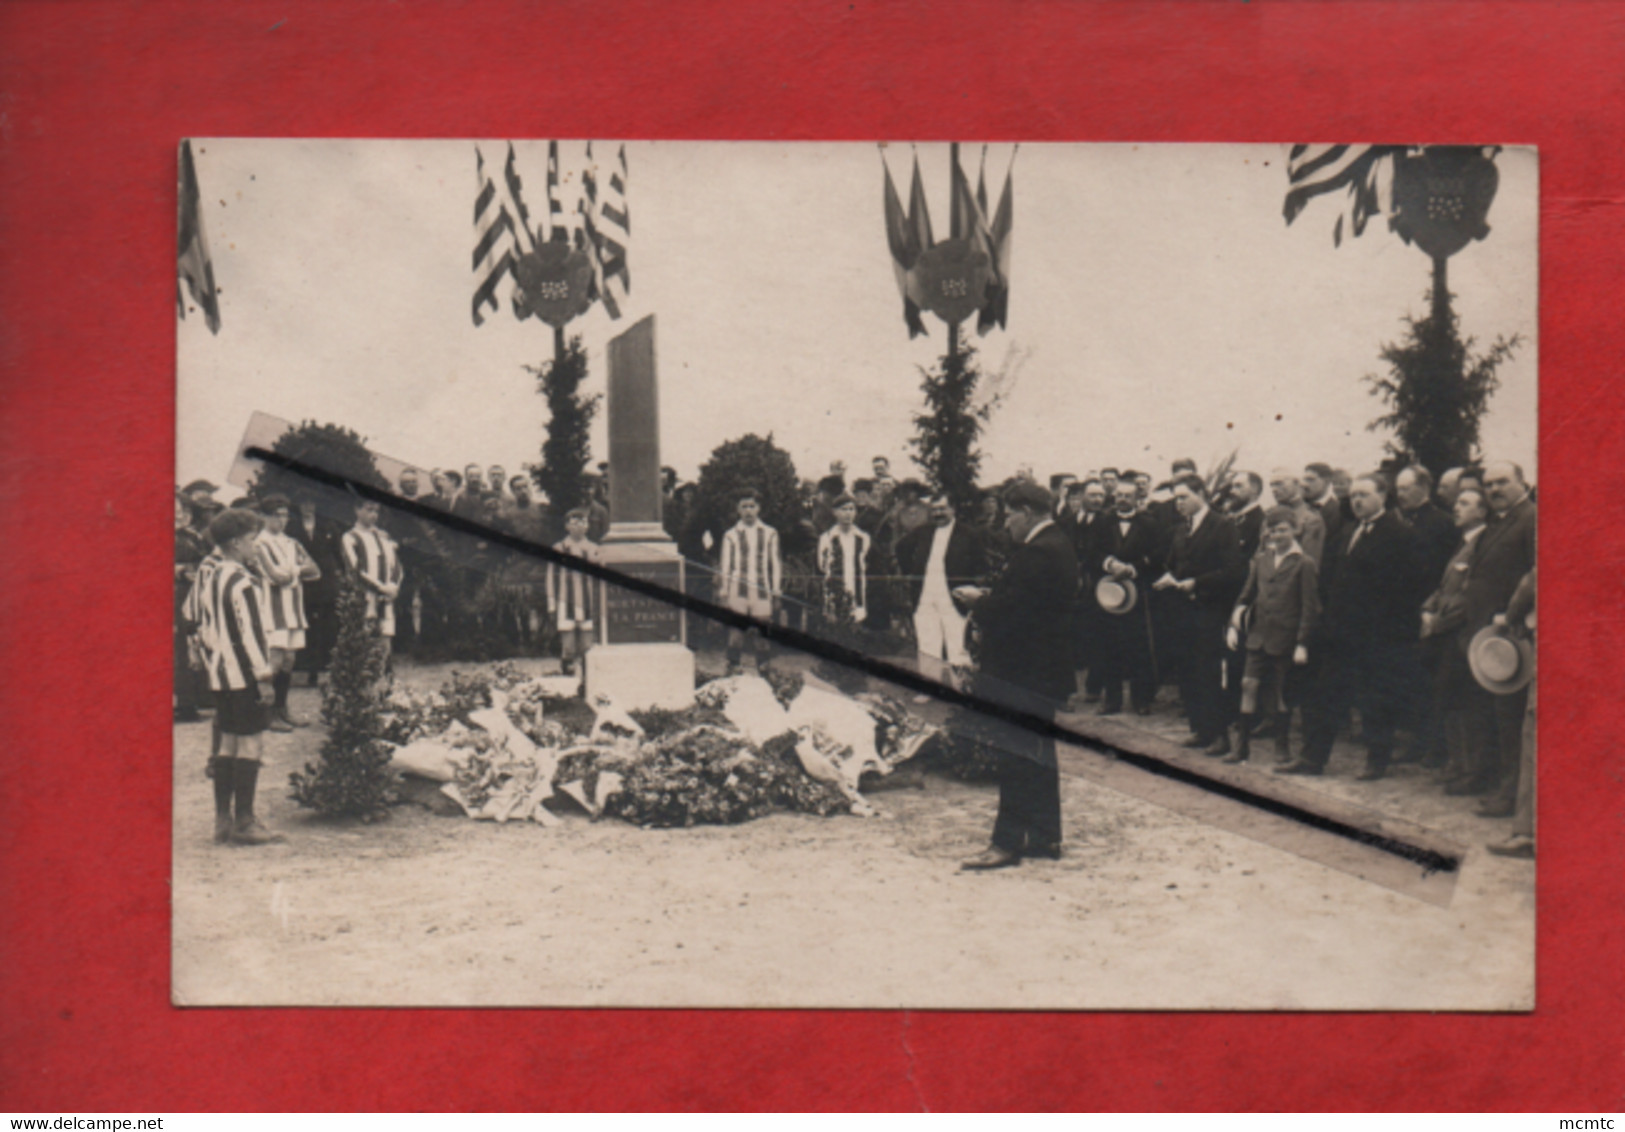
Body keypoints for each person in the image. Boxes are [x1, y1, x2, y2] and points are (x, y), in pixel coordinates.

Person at [955, 481, 1078, 870]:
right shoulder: (1058, 544)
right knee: (1038, 754)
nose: (1007, 524)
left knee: (1016, 754)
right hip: (1042, 673)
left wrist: (981, 602)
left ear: (1026, 512)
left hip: (1024, 673)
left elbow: (1016, 612)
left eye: (1009, 516)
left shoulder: (1038, 552)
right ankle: (1044, 837)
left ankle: (1005, 843)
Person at [1280, 473, 1428, 780]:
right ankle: (1312, 758)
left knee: (1377, 702)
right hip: (1340, 634)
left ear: (1382, 496)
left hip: (1378, 637)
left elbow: (1409, 590)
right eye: (1354, 496)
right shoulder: (1349, 532)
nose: (1357, 501)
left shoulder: (1402, 535)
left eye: (1364, 495)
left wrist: (1384, 631)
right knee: (1327, 696)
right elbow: (1332, 580)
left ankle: (1377, 761)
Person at [189, 508, 284, 845]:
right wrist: (263, 676)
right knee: (251, 742)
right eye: (251, 541)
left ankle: (222, 820)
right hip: (245, 674)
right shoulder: (244, 582)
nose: (255, 548)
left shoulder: (212, 576)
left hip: (221, 674)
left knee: (227, 741)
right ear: (234, 544)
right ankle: (245, 820)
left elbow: (202, 626)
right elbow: (252, 633)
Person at [1464, 462, 1537, 817]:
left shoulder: (1532, 518)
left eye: (1502, 482)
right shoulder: (1499, 520)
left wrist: (1514, 615)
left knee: (1511, 717)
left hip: (1516, 634)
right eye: (1488, 484)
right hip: (1491, 636)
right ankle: (1502, 785)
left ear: (1522, 482)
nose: (1494, 490)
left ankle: (1512, 795)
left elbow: (1536, 572)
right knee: (1498, 713)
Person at [1154, 474, 1245, 755]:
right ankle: (1200, 729)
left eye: (1183, 497)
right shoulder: (1181, 529)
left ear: (1201, 494)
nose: (1178, 503)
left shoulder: (1223, 525)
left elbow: (1233, 571)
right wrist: (1168, 578)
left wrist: (1197, 583)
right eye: (1176, 498)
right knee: (1188, 670)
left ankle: (1220, 734)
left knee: (1209, 672)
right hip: (1183, 611)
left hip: (1211, 610)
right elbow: (1173, 563)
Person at [1226, 507, 1319, 764]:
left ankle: (1282, 745)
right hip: (1258, 635)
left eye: (1282, 530)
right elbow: (1246, 595)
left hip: (1286, 639)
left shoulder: (1304, 563)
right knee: (1249, 684)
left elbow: (1310, 608)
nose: (1277, 535)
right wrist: (1234, 624)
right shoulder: (1261, 559)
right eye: (1272, 530)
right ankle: (1241, 746)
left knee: (1281, 692)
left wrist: (1302, 643)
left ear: (1295, 530)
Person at [1420, 488, 1496, 794]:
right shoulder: (1462, 544)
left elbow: (1468, 597)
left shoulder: (1482, 544)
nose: (1456, 508)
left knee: (1466, 705)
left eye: (1465, 503)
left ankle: (1472, 772)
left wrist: (1437, 622)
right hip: (1447, 637)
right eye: (1457, 503)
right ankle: (1458, 765)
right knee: (1449, 700)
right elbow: (1445, 587)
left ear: (1482, 511)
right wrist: (1427, 607)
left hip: (1463, 636)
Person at [895, 493, 988, 693]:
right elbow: (901, 547)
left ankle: (961, 689)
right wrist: (910, 573)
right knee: (928, 645)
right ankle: (929, 689)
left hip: (955, 597)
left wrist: (969, 587)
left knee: (958, 644)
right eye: (934, 509)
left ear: (953, 509)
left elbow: (981, 565)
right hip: (925, 596)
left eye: (942, 508)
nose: (938, 513)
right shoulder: (923, 532)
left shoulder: (968, 534)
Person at [253, 494, 322, 730]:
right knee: (274, 659)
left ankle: (283, 709)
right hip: (272, 609)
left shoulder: (292, 543)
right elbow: (275, 576)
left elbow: (315, 571)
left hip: (293, 608)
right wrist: (296, 570)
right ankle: (266, 713)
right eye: (275, 516)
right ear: (263, 517)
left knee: (290, 660)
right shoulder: (258, 544)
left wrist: (291, 571)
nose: (281, 521)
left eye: (284, 515)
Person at [1095, 485, 1164, 715]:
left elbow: (1159, 554)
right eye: (1119, 495)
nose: (1122, 500)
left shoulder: (1149, 523)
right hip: (1109, 592)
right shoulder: (1102, 521)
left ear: (1137, 498)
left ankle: (1141, 700)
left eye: (1128, 496)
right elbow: (1092, 552)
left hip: (1138, 593)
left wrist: (1134, 568)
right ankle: (1111, 700)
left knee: (1138, 647)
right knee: (1108, 645)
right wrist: (1109, 564)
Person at [717, 488, 781, 673]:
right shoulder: (731, 534)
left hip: (762, 590)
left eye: (752, 506)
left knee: (762, 631)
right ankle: (733, 666)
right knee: (737, 631)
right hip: (738, 589)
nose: (748, 511)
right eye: (744, 506)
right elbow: (726, 566)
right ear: (738, 509)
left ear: (759, 508)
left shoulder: (770, 533)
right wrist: (724, 591)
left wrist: (776, 591)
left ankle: (763, 667)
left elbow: (775, 563)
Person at [340, 497, 404, 672]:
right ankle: (366, 691)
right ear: (357, 510)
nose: (374, 515)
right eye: (369, 510)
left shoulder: (384, 536)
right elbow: (355, 570)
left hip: (386, 597)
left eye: (376, 511)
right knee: (366, 642)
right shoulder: (350, 537)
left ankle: (386, 689)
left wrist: (393, 586)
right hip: (365, 598)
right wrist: (380, 587)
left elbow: (396, 565)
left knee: (386, 641)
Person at [547, 508, 600, 676]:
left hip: (589, 604)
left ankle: (587, 679)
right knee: (568, 647)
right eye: (574, 523)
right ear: (567, 526)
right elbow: (551, 578)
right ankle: (568, 677)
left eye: (583, 522)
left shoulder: (594, 549)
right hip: (565, 602)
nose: (579, 526)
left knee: (587, 646)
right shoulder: (559, 548)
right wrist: (552, 605)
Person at [174, 493, 212, 722]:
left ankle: (194, 700)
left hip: (193, 594)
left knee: (194, 643)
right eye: (178, 511)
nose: (182, 516)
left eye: (186, 511)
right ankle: (183, 703)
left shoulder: (193, 537)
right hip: (175, 595)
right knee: (180, 648)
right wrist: (179, 570)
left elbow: (204, 559)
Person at [816, 493, 872, 626]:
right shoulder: (827, 538)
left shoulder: (863, 538)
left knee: (855, 626)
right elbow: (822, 567)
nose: (848, 513)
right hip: (834, 591)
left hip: (856, 590)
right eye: (844, 509)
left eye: (851, 509)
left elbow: (865, 563)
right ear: (835, 512)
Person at [1268, 468, 1328, 566]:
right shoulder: (1269, 514)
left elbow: (1309, 563)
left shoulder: (1311, 519)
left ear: (1296, 483)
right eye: (1272, 485)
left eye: (1279, 483)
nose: (1274, 489)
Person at [1302, 462, 1343, 548]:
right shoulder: (1302, 508)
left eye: (1310, 480)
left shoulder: (1338, 510)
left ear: (1326, 482)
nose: (1304, 484)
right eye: (1304, 480)